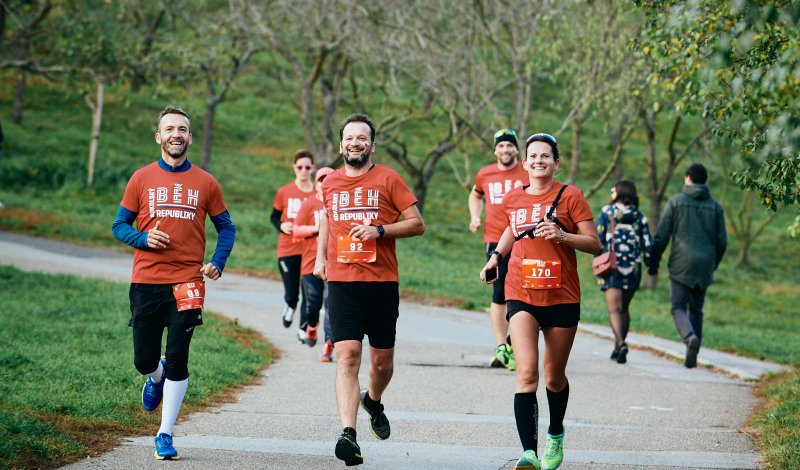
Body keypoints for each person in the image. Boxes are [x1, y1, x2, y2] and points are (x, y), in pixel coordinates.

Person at [111, 105, 236, 460]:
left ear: (190, 137)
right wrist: (143, 238)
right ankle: (155, 377)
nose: (176, 134)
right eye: (169, 129)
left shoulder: (206, 182)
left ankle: (164, 434)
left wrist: (217, 262)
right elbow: (119, 225)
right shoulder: (141, 178)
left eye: (182, 129)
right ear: (159, 137)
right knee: (143, 359)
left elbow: (226, 227)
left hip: (188, 282)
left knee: (179, 358)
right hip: (146, 281)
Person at [480, 133, 600, 470]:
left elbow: (594, 244)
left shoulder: (571, 196)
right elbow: (510, 229)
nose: (538, 161)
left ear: (556, 163)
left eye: (545, 156)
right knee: (526, 374)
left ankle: (556, 434)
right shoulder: (515, 198)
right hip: (522, 294)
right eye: (532, 156)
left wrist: (562, 235)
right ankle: (528, 453)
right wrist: (496, 258)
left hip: (562, 297)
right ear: (525, 162)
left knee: (553, 377)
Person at [313, 113, 425, 466]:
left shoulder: (389, 178)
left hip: (381, 283)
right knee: (347, 356)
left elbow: (417, 224)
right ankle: (349, 433)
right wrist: (320, 259)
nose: (355, 142)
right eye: (350, 137)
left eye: (362, 138)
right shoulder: (329, 182)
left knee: (382, 362)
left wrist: (380, 230)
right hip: (343, 282)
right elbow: (328, 221)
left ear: (371, 145)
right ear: (342, 144)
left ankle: (373, 400)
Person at [649, 163, 726, 368]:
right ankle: (693, 351)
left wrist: (653, 261)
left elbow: (662, 235)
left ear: (688, 178)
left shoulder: (676, 202)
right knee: (697, 310)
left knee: (678, 306)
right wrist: (712, 263)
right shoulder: (716, 207)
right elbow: (722, 241)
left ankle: (689, 336)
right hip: (705, 264)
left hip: (681, 264)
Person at [468, 128, 528, 370]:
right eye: (501, 146)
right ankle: (502, 346)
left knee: (523, 291)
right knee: (500, 292)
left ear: (516, 149)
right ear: (495, 150)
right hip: (495, 241)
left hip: (524, 239)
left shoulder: (525, 171)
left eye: (509, 145)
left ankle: (518, 344)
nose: (505, 150)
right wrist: (474, 216)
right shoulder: (485, 174)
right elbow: (475, 195)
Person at [594, 180, 653, 364]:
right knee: (624, 309)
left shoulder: (607, 212)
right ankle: (618, 347)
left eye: (613, 190)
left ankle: (621, 342)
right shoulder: (640, 217)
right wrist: (651, 264)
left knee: (614, 309)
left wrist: (598, 256)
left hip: (611, 267)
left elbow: (598, 239)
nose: (611, 193)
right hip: (633, 269)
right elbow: (648, 244)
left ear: (619, 192)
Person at [271, 150, 316, 339]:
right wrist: (282, 225)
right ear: (294, 168)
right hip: (288, 248)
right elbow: (273, 217)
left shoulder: (318, 193)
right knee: (292, 293)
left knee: (309, 292)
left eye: (307, 167)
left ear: (312, 168)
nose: (304, 171)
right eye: (300, 167)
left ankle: (302, 329)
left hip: (310, 250)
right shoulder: (284, 191)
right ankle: (290, 305)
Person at [293, 166, 335, 359]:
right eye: (321, 179)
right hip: (311, 263)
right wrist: (316, 229)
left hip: (335, 264)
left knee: (331, 304)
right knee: (313, 305)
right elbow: (296, 230)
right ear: (316, 183)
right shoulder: (309, 204)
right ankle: (311, 325)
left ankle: (328, 345)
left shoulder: (338, 204)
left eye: (329, 179)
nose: (324, 183)